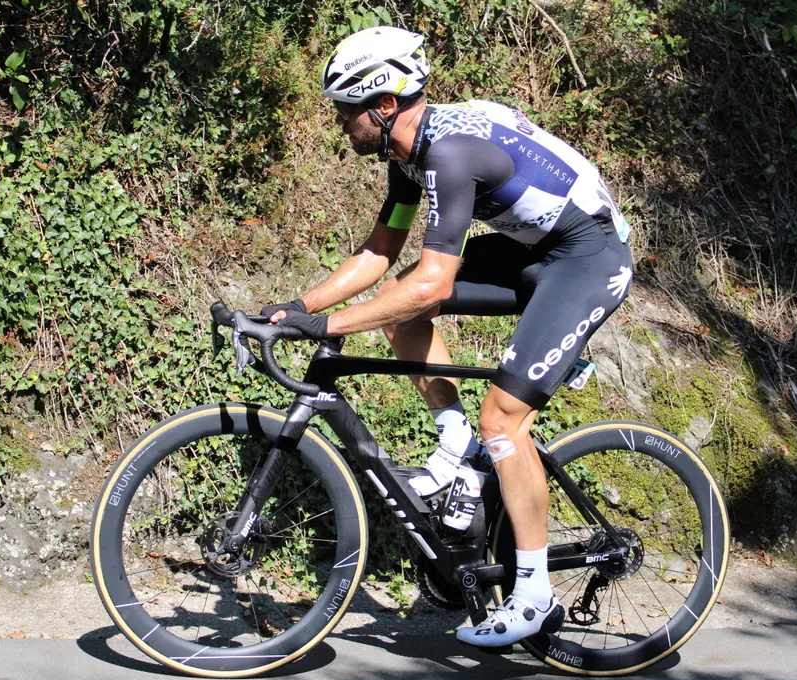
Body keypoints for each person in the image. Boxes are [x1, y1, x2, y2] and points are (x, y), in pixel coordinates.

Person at [260, 26, 634, 647]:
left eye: (346, 110)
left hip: (588, 260)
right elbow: (379, 254)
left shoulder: (448, 153)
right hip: (535, 253)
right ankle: (456, 446)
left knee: (504, 419)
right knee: (402, 312)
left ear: (383, 108)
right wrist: (295, 308)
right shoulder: (408, 154)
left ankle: (534, 596)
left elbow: (435, 283)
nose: (340, 123)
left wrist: (327, 327)